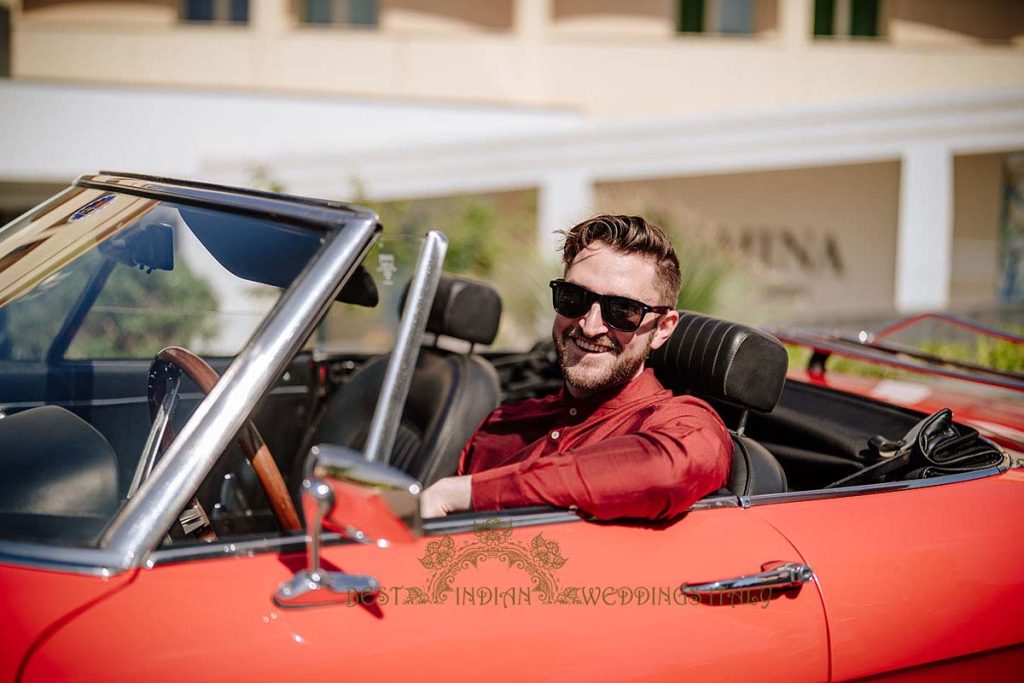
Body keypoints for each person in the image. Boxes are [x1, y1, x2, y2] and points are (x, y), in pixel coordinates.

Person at [419, 214, 732, 520]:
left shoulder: (683, 423)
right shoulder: (503, 425)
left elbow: (668, 471)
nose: (590, 326)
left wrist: (467, 493)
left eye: (623, 310)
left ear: (662, 328)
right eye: (574, 297)